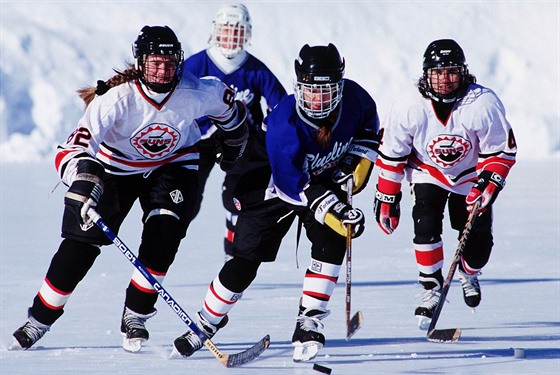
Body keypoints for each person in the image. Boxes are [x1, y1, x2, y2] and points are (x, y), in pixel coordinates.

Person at [9, 25, 248, 352]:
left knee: (164, 233)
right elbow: (71, 147)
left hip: (173, 165)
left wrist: (234, 139)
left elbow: (233, 113)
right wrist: (83, 176)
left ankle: (136, 313)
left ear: (179, 61)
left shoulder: (197, 91)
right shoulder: (116, 98)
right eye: (154, 63)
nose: (162, 70)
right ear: (139, 63)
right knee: (80, 247)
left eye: (169, 62)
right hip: (115, 169)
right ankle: (39, 319)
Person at [171, 43, 379, 362]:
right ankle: (205, 323)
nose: (318, 99)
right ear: (299, 86)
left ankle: (309, 319)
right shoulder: (285, 124)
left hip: (320, 177)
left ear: (340, 86)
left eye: (327, 91)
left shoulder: (356, 97)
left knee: (333, 239)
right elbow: (293, 186)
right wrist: (333, 210)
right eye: (311, 91)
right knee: (244, 260)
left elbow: (368, 127)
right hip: (270, 177)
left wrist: (359, 160)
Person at [373, 39, 517, 329]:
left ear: (463, 72)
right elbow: (392, 153)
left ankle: (468, 272)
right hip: (428, 171)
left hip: (470, 176)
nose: (445, 79)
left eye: (451, 71)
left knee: (478, 247)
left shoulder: (482, 102)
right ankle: (430, 288)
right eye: (438, 72)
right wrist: (388, 195)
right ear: (426, 74)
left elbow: (501, 150)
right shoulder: (408, 104)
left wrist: (488, 183)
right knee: (424, 222)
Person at [182, 3, 287, 260]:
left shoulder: (256, 70)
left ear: (247, 34)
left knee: (238, 197)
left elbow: (282, 108)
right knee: (187, 199)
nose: (230, 38)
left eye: (236, 31)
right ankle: (163, 245)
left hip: (242, 139)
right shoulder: (197, 64)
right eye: (226, 30)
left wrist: (272, 133)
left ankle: (234, 255)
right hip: (201, 140)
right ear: (215, 31)